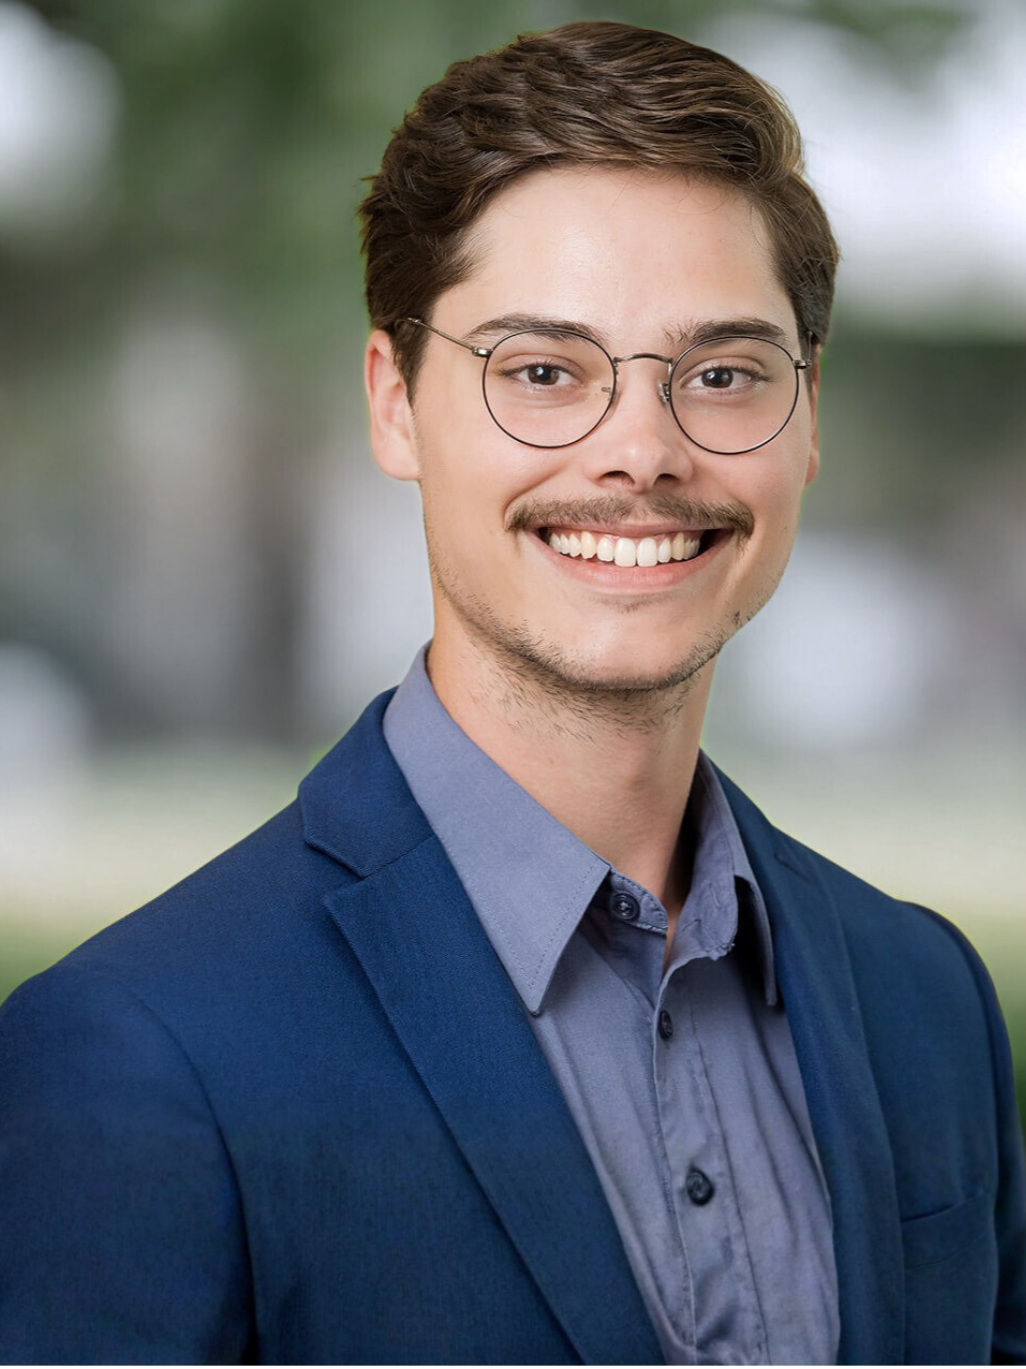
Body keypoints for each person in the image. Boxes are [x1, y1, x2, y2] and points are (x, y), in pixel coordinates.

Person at [0, 20, 1023, 1366]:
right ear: (394, 403)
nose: (641, 452)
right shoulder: (132, 1055)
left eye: (721, 375)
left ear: (808, 415)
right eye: (543, 373)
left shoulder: (926, 998)